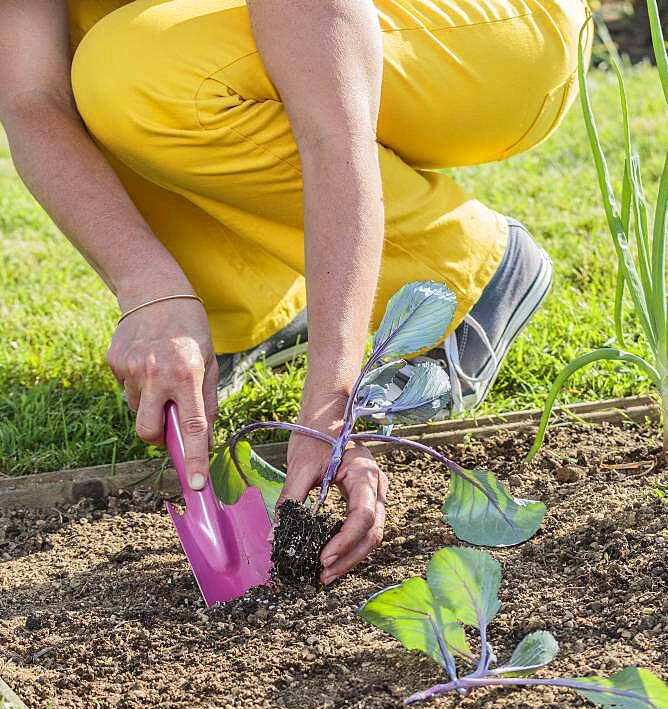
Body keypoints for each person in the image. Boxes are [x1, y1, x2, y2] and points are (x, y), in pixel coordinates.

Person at [0, 0, 589, 583]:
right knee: (91, 38)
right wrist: (149, 287)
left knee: (129, 72)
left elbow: (334, 124)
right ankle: (252, 307)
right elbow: (32, 98)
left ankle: (463, 267)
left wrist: (334, 402)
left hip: (494, 32)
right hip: (278, 37)